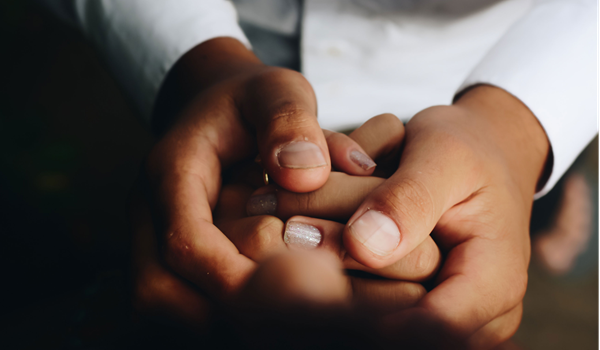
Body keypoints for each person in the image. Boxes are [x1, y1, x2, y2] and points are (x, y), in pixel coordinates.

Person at [42, 0, 599, 348]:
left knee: (501, 201)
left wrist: (523, 121)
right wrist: (196, 65)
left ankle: (542, 197)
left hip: (490, 55)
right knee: (478, 218)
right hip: (237, 35)